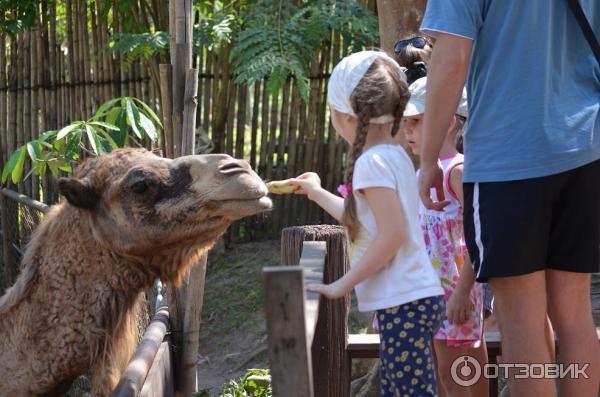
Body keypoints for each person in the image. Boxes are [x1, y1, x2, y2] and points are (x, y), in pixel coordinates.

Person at [418, 1, 600, 396]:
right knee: (574, 313)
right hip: (585, 145)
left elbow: (451, 59)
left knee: (522, 318)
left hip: (507, 156)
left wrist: (429, 158)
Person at [292, 50, 445, 396]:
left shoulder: (372, 163)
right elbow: (367, 225)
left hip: (404, 301)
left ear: (345, 115)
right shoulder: (393, 157)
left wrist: (340, 286)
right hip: (413, 297)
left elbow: (392, 236)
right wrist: (316, 193)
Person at [403, 76, 488, 397]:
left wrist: (464, 290)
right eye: (406, 123)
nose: (408, 130)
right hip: (430, 293)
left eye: (416, 121)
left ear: (449, 121)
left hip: (455, 293)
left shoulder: (458, 171)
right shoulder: (424, 173)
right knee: (447, 373)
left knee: (457, 374)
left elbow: (478, 233)